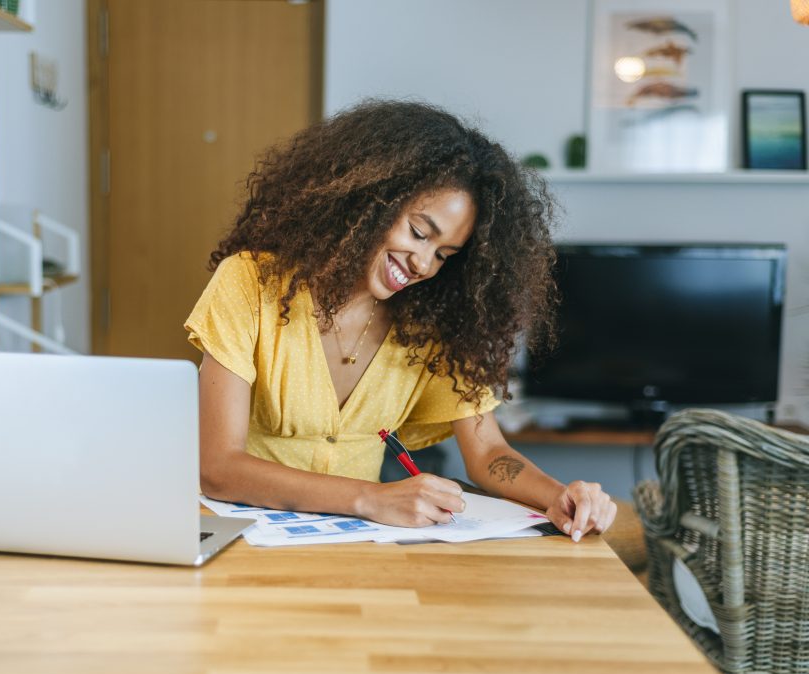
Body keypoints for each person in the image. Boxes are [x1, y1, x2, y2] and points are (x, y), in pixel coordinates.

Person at [184, 100, 616, 541]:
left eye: (444, 255)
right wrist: (371, 498)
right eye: (418, 232)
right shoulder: (250, 282)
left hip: (354, 549)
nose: (424, 264)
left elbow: (487, 451)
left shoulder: (431, 322)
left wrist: (558, 496)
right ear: (368, 200)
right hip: (239, 539)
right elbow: (218, 468)